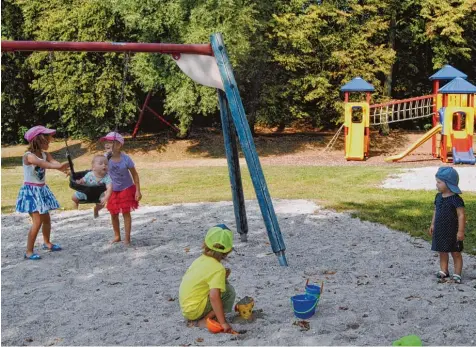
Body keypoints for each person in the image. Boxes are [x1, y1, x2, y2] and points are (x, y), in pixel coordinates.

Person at [15, 126, 70, 260]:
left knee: (46, 220)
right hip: (31, 192)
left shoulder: (46, 154)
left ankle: (47, 243)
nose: (49, 143)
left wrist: (63, 169)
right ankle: (29, 251)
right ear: (39, 140)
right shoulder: (29, 157)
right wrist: (59, 166)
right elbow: (45, 164)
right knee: (37, 221)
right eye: (47, 140)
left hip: (41, 190)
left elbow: (53, 162)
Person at [179, 224, 236, 332]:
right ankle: (205, 320)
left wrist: (222, 279)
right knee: (229, 292)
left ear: (205, 243)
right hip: (195, 310)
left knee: (224, 286)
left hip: (187, 308)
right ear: (228, 250)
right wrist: (224, 323)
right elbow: (214, 297)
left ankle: (199, 318)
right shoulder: (217, 268)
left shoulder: (200, 260)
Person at [99, 132, 141, 245]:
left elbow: (135, 174)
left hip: (126, 189)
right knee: (113, 213)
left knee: (126, 213)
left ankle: (127, 238)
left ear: (118, 145)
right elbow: (98, 172)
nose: (107, 144)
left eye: (110, 142)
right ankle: (117, 236)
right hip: (112, 190)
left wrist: (138, 190)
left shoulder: (126, 159)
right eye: (106, 142)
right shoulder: (104, 158)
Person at [429, 167, 465, 283]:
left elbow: (461, 215)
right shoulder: (438, 197)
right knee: (442, 251)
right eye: (436, 182)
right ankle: (444, 270)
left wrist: (460, 231)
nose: (437, 184)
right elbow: (436, 210)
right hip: (440, 229)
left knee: (455, 252)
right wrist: (433, 224)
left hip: (452, 231)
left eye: (439, 182)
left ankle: (457, 274)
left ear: (448, 184)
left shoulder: (456, 199)